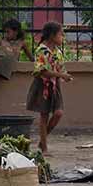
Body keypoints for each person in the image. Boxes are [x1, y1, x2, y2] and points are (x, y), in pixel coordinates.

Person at [25, 21, 72, 154]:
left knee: (58, 113)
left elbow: (61, 68)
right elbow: (42, 72)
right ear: (52, 36)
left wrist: (63, 76)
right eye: (60, 35)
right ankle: (44, 147)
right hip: (43, 85)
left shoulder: (58, 52)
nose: (62, 37)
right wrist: (62, 75)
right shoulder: (41, 50)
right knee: (44, 115)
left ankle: (42, 140)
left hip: (55, 85)